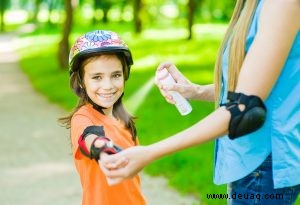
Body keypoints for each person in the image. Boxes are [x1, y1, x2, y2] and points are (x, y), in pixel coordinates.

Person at [99, 1, 300, 204]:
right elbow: (252, 88)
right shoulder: (251, 5)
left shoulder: (280, 4)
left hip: (263, 165)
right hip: (248, 161)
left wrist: (150, 152)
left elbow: (243, 110)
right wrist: (194, 90)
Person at [59, 30, 146, 205]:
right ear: (81, 81)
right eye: (97, 77)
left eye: (116, 75)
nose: (108, 86)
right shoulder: (82, 117)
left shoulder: (124, 120)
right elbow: (89, 138)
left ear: (125, 75)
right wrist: (104, 149)